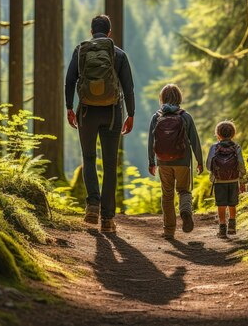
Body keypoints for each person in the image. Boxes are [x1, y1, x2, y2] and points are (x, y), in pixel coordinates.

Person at [65, 15, 135, 233]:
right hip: (112, 113)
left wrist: (69, 107)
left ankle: (92, 206)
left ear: (91, 30)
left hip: (87, 112)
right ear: (110, 32)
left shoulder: (81, 51)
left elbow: (69, 80)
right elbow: (128, 87)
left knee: (88, 159)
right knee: (110, 164)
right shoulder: (119, 54)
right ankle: (107, 219)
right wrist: (130, 114)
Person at [148, 84, 203, 239]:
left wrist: (151, 162)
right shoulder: (185, 116)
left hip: (163, 162)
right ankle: (185, 212)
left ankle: (169, 230)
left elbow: (151, 141)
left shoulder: (157, 117)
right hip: (183, 161)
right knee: (184, 191)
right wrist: (199, 161)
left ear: (162, 98)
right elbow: (195, 141)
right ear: (179, 97)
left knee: (167, 195)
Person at [206, 121, 247, 239]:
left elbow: (209, 165)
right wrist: (242, 178)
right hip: (233, 180)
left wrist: (214, 171)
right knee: (232, 204)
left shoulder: (214, 147)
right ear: (233, 134)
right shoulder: (236, 147)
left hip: (219, 181)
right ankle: (232, 226)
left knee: (221, 205)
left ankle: (222, 228)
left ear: (218, 134)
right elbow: (241, 164)